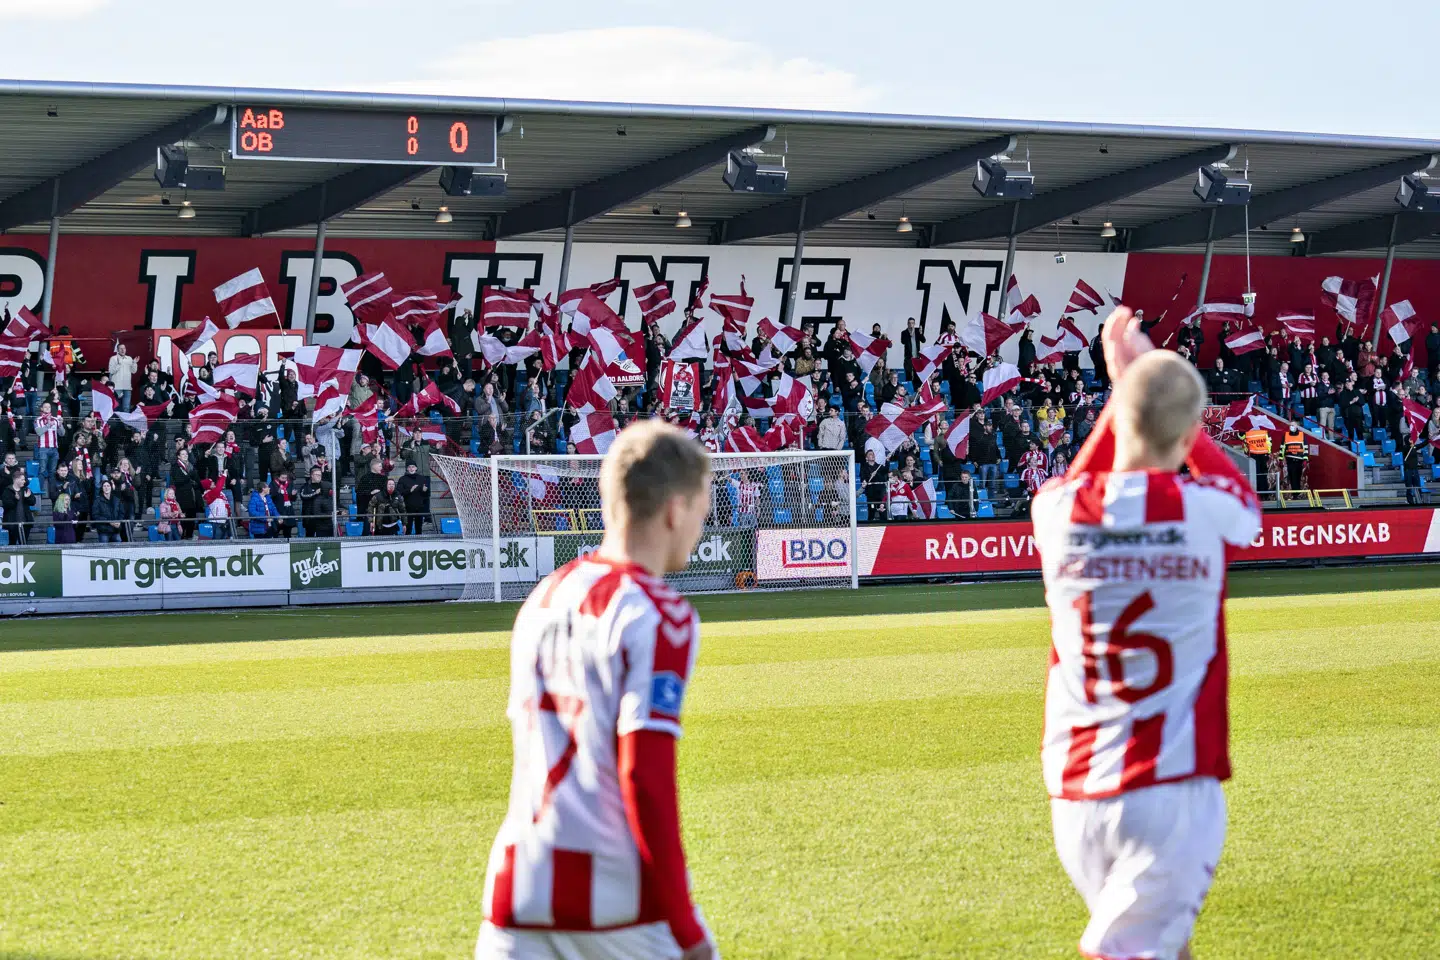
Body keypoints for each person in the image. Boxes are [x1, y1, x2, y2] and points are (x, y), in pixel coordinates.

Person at [1032, 307, 1261, 960]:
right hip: (1170, 786)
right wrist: (1138, 383)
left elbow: (1080, 477)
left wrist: (1123, 384)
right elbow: (1244, 503)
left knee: (1165, 945)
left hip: (1077, 789)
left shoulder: (1057, 511)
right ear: (1189, 435)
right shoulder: (1208, 512)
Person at [475, 421, 716, 960]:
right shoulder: (659, 614)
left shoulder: (543, 597)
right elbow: (644, 775)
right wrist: (685, 925)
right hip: (618, 906)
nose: (701, 526)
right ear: (675, 510)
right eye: (701, 510)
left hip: (516, 895)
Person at [297, 466, 334, 538]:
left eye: (320, 475)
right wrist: (315, 493)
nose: (319, 476)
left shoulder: (325, 486)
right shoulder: (305, 486)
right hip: (309, 516)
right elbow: (303, 496)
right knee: (309, 536)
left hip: (322, 518)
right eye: (317, 475)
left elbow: (330, 498)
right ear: (311, 475)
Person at [2, 471, 36, 545]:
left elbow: (33, 502)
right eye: (22, 479)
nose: (24, 481)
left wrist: (28, 497)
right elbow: (6, 505)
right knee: (12, 544)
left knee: (24, 544)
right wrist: (15, 499)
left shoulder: (26, 489)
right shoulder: (7, 491)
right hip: (12, 523)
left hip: (25, 523)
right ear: (16, 479)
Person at [395, 462, 430, 535]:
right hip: (407, 507)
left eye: (413, 467)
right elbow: (399, 492)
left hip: (419, 506)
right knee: (408, 528)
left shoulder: (422, 478)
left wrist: (425, 490)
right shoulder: (402, 479)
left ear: (416, 468)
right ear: (407, 469)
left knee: (419, 528)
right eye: (409, 467)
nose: (411, 468)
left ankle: (419, 541)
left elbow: (427, 495)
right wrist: (410, 490)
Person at [91, 478, 126, 543]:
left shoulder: (117, 500)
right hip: (103, 531)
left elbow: (121, 513)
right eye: (104, 486)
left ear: (111, 487)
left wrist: (119, 521)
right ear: (102, 488)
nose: (106, 488)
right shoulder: (97, 501)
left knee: (119, 547)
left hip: (115, 530)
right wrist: (109, 522)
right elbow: (95, 515)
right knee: (104, 548)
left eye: (108, 486)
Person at [1243, 423, 1273, 493]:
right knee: (1263, 475)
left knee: (1257, 475)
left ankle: (1259, 492)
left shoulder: (1248, 433)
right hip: (1263, 455)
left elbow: (1241, 438)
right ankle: (1264, 493)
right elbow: (1269, 443)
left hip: (1254, 456)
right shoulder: (1264, 432)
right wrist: (1268, 453)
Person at [108, 344, 138, 411]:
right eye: (121, 348)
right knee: (116, 407)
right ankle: (116, 418)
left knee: (126, 407)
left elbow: (133, 371)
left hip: (127, 387)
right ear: (118, 350)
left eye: (124, 348)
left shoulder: (129, 358)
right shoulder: (113, 358)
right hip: (117, 387)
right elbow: (111, 371)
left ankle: (125, 418)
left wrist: (134, 363)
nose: (122, 350)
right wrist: (118, 364)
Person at [1282, 421, 1308, 491]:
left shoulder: (1302, 435)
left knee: (1298, 478)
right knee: (1292, 478)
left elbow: (1305, 448)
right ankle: (1295, 494)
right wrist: (1280, 459)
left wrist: (1305, 459)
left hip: (1299, 460)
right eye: (1290, 425)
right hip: (1290, 460)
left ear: (1297, 426)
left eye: (1293, 425)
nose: (1291, 427)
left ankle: (1297, 493)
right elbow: (1282, 448)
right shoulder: (1286, 435)